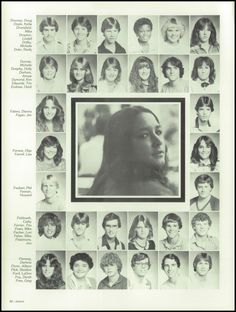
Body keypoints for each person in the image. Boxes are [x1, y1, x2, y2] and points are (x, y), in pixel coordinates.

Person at [88, 106, 178, 196]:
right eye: (144, 135)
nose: (158, 141)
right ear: (124, 145)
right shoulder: (156, 193)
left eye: (158, 132)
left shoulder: (104, 183)